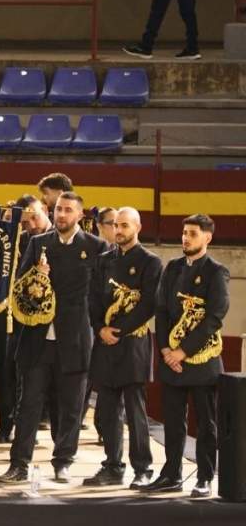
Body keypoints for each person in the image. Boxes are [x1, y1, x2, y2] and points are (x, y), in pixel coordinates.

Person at [0, 192, 109, 484]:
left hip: (75, 339)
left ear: (80, 215)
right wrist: (36, 275)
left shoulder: (97, 247)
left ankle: (63, 462)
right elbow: (19, 290)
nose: (61, 215)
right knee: (28, 405)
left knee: (71, 407)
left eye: (68, 210)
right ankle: (18, 464)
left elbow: (101, 296)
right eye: (58, 209)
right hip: (37, 339)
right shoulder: (37, 244)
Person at [143, 214, 228, 498]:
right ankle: (171, 474)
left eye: (192, 233)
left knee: (206, 423)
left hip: (202, 361)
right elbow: (162, 309)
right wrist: (166, 349)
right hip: (172, 361)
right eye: (184, 233)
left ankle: (205, 477)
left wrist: (182, 350)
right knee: (173, 421)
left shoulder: (217, 272)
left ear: (207, 237)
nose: (185, 238)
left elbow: (214, 317)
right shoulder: (173, 268)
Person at [84, 207, 159, 489]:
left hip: (133, 345)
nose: (119, 230)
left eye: (124, 225)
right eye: (116, 225)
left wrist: (119, 330)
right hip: (105, 343)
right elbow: (92, 298)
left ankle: (143, 468)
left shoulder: (150, 262)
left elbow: (149, 304)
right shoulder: (103, 260)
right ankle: (113, 466)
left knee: (135, 410)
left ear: (137, 227)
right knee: (106, 409)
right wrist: (100, 328)